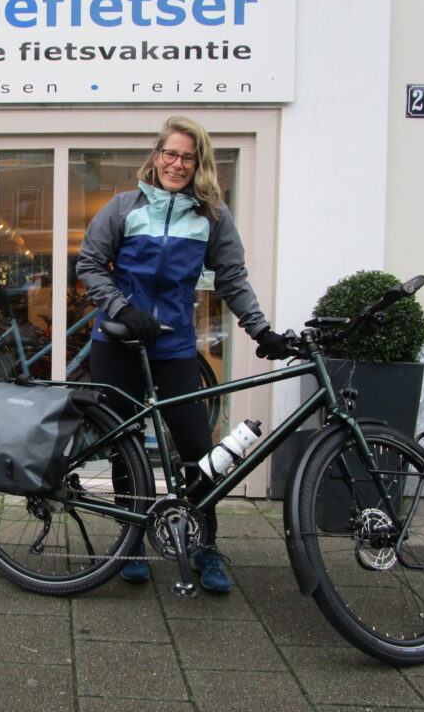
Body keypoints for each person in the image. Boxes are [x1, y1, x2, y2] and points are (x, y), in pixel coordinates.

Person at [76, 116, 289, 593]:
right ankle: (132, 541)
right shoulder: (124, 207)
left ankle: (204, 544)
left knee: (196, 449)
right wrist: (122, 308)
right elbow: (89, 264)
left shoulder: (211, 216)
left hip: (173, 347)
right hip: (118, 342)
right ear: (156, 156)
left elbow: (232, 278)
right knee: (126, 444)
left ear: (199, 164)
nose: (176, 163)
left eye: (187, 157)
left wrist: (261, 330)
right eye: (170, 153)